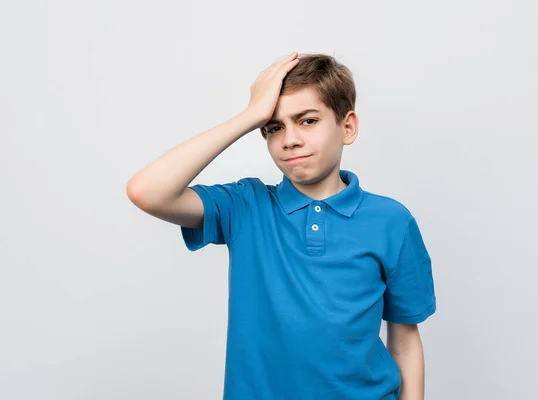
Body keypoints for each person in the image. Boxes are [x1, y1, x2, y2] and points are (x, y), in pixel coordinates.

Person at [126, 51, 437, 400]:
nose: (290, 139)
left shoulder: (391, 221)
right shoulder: (245, 206)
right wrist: (249, 116)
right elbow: (146, 191)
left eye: (307, 121)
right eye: (274, 127)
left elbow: (405, 339)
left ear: (347, 127)